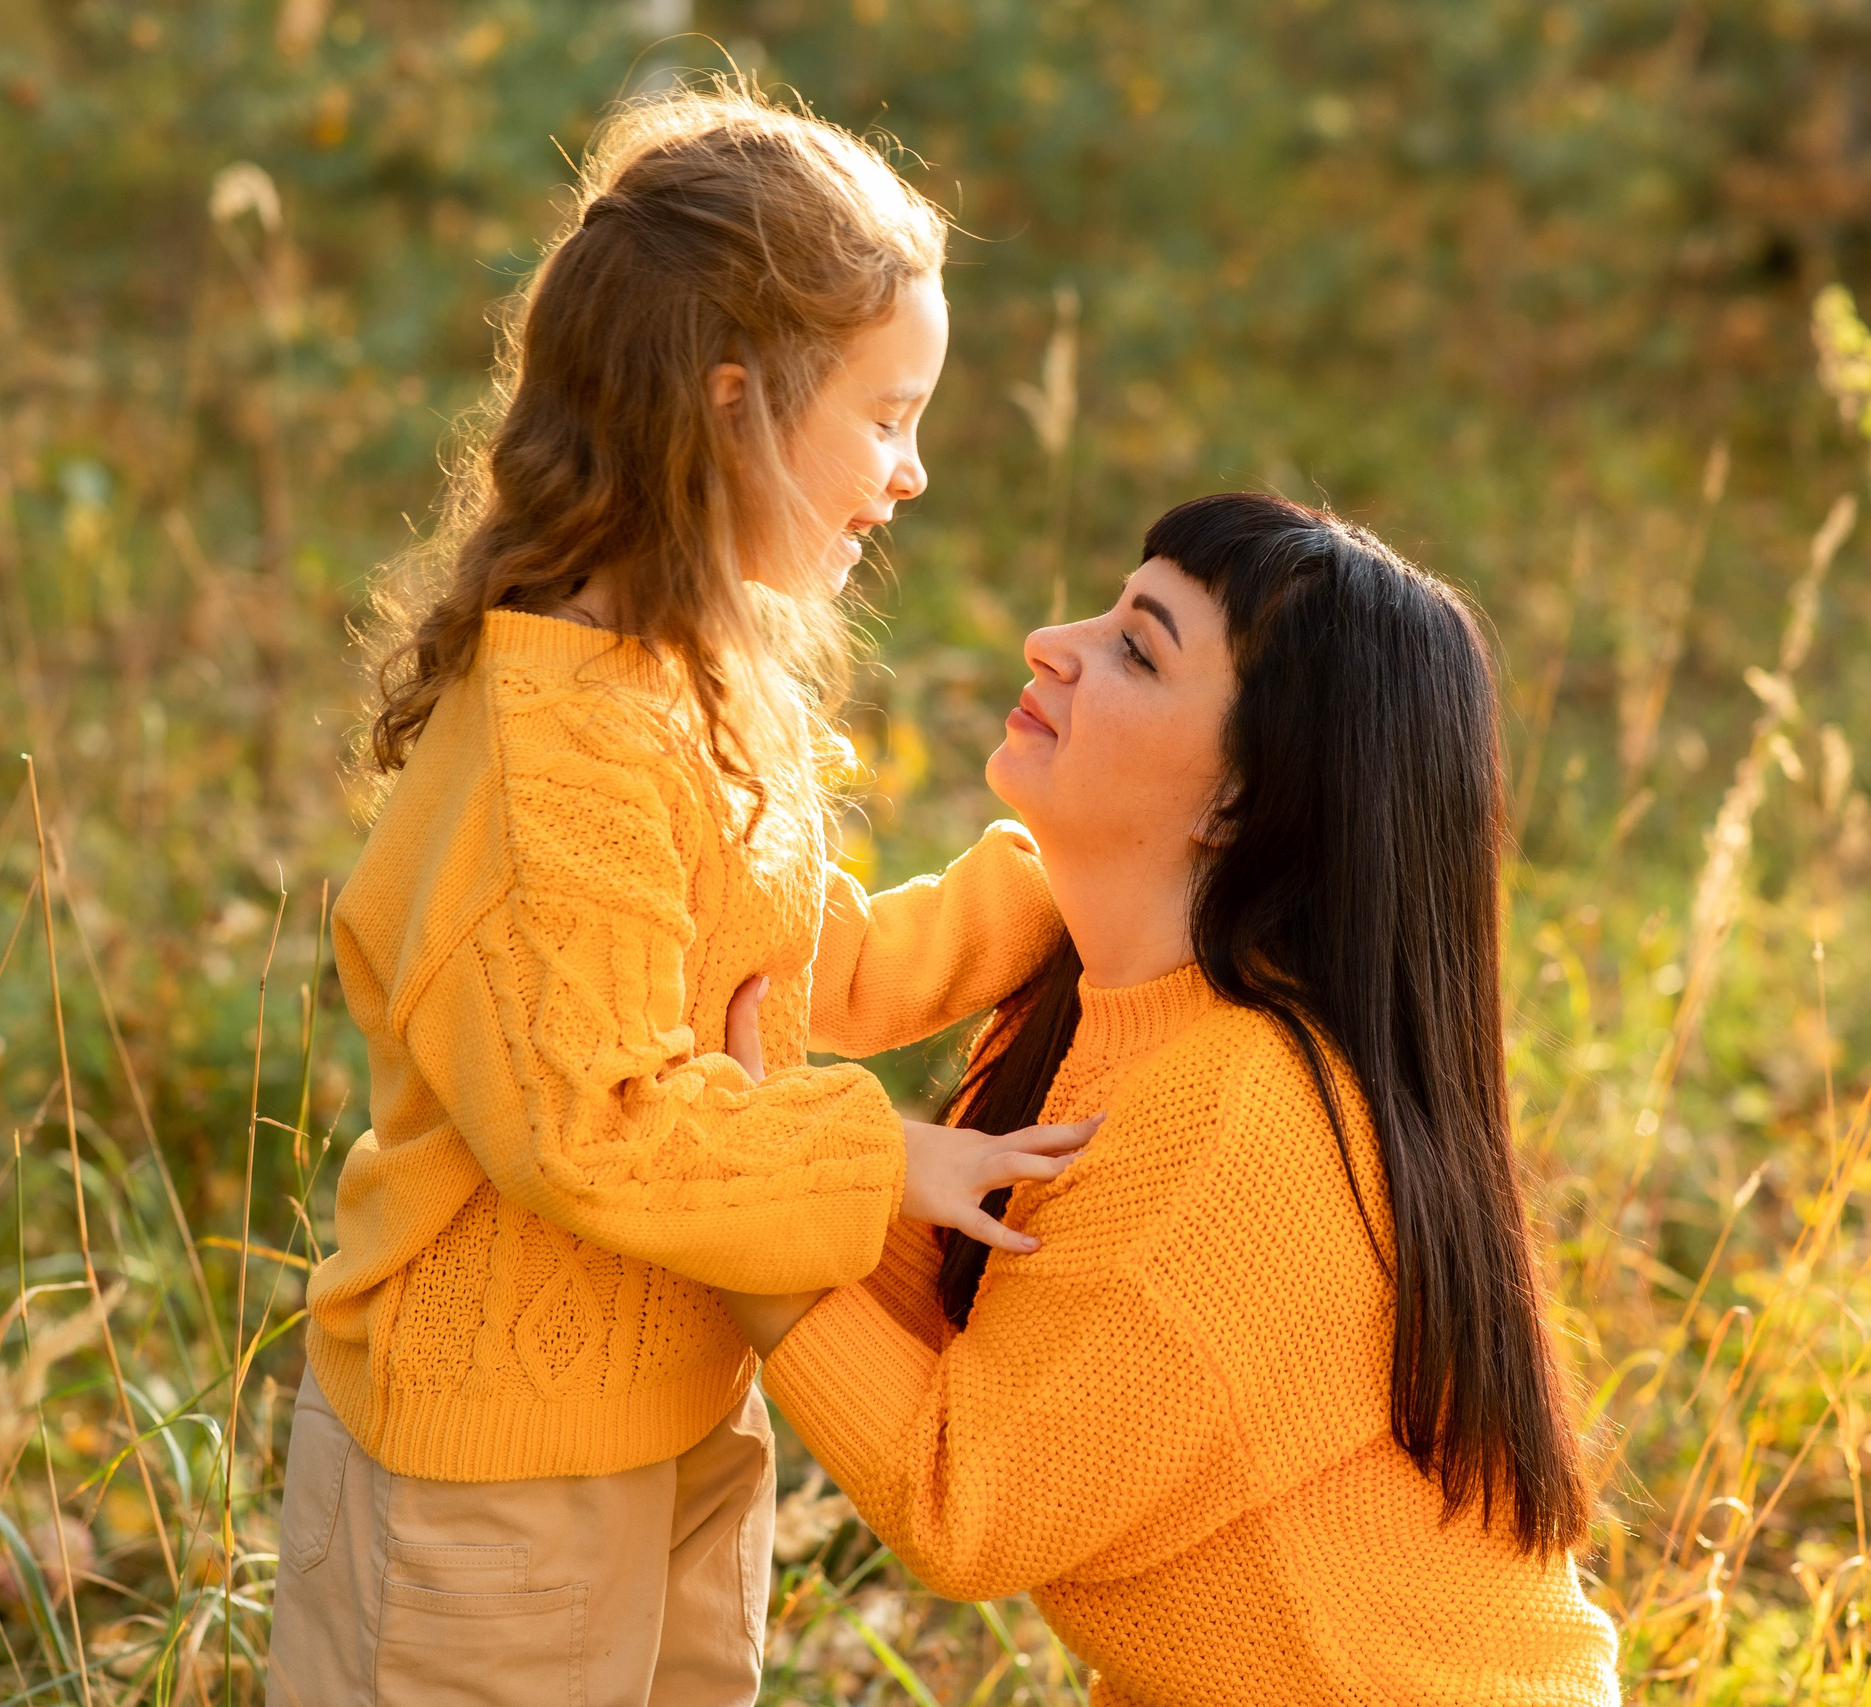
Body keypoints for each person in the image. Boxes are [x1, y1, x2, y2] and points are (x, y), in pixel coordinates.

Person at [267, 83, 1092, 1707]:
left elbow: (783, 963)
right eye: (886, 414)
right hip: (496, 1471)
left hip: (682, 1400)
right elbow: (597, 1118)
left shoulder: (690, 682)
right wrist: (889, 1158)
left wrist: (1061, 887)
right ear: (731, 406)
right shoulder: (550, 747)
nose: (913, 470)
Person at [722, 493, 1623, 1705]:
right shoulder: (1102, 1003)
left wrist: (729, 1180)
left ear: (1242, 802)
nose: (1054, 641)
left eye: (1137, 650)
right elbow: (941, 1308)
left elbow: (962, 1496)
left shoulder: (1245, 1109)